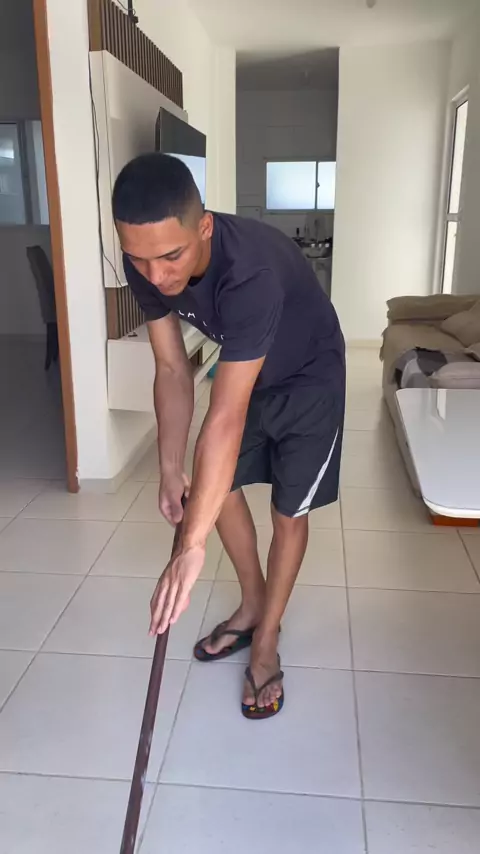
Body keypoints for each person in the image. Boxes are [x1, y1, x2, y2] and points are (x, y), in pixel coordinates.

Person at [112, 153, 345, 719]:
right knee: (219, 490)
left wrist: (191, 547)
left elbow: (224, 417)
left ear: (205, 228)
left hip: (311, 377)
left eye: (171, 256)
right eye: (140, 259)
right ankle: (253, 604)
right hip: (254, 370)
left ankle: (266, 639)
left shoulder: (249, 274)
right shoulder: (144, 259)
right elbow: (172, 367)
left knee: (288, 512)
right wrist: (170, 467)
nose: (157, 276)